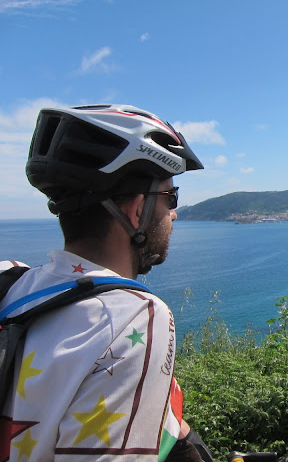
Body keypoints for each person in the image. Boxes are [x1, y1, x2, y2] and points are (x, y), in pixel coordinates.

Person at [0, 104, 210, 461]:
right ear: (136, 209)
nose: (173, 213)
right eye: (170, 197)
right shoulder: (133, 316)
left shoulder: (11, 282)